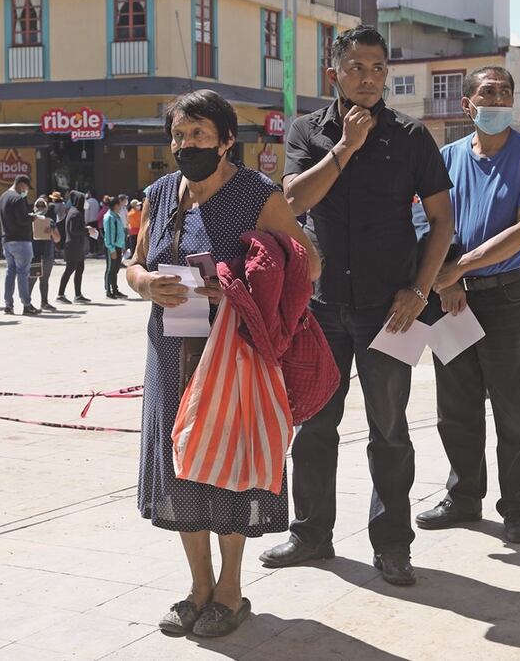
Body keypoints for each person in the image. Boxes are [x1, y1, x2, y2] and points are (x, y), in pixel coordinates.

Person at [259, 25, 455, 586]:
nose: (368, 78)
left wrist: (420, 290)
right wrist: (345, 147)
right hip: (318, 309)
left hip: (390, 308)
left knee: (389, 429)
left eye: (377, 69)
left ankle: (393, 543)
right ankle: (310, 534)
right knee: (314, 426)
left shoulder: (413, 137)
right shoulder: (306, 132)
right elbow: (292, 202)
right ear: (334, 75)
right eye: (356, 68)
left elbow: (442, 220)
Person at [126, 88, 320, 638]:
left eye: (200, 136)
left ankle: (232, 591)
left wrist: (233, 289)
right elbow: (133, 263)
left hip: (235, 355)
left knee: (229, 463)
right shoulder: (163, 192)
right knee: (181, 461)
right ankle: (199, 587)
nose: (187, 145)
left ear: (227, 140)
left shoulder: (259, 194)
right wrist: (145, 283)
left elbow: (310, 266)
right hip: (170, 351)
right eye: (180, 136)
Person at [416, 65, 520, 545]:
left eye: (504, 92)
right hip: (452, 300)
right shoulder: (448, 158)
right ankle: (463, 497)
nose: (496, 100)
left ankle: (516, 506)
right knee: (455, 406)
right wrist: (446, 277)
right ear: (467, 105)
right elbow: (428, 221)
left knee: (512, 408)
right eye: (486, 92)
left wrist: (460, 268)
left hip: (509, 298)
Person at [0, 175, 40, 316]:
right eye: (27, 188)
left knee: (10, 272)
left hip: (7, 240)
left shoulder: (3, 197)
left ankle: (8, 305)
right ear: (21, 185)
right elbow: (22, 220)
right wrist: (33, 217)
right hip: (21, 241)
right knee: (23, 273)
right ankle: (26, 304)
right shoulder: (17, 198)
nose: (26, 191)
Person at [57, 191, 92, 304]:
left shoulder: (74, 212)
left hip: (77, 246)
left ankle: (78, 294)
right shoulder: (75, 213)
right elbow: (74, 230)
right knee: (69, 269)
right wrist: (87, 230)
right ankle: (60, 295)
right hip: (73, 246)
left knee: (79, 268)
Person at [30, 197, 60, 311]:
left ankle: (44, 302)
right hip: (34, 254)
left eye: (43, 206)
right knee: (32, 279)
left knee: (44, 280)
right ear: (34, 207)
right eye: (38, 206)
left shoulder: (50, 221)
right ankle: (27, 303)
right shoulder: (29, 220)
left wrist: (51, 231)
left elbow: (57, 239)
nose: (41, 208)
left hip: (47, 254)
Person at [103, 194, 128, 299]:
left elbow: (120, 232)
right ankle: (108, 291)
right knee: (110, 269)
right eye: (119, 205)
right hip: (112, 248)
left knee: (115, 270)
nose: (120, 207)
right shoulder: (109, 217)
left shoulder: (116, 216)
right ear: (115, 205)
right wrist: (112, 249)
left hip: (118, 246)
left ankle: (115, 290)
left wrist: (122, 246)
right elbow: (108, 236)